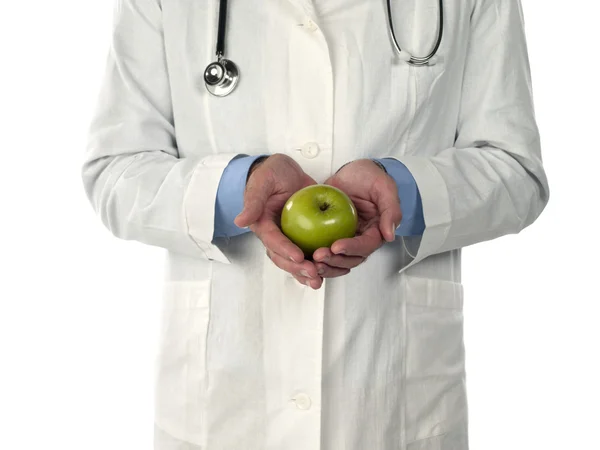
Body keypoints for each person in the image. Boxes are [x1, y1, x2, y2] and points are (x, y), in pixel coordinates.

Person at [81, 0, 549, 449]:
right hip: (224, 397)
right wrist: (234, 188)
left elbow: (515, 170)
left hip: (387, 393)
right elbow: (117, 171)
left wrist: (402, 190)